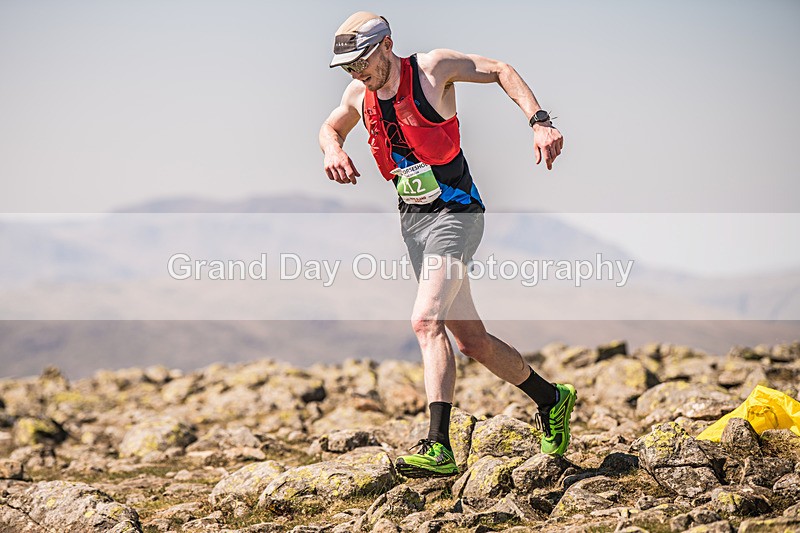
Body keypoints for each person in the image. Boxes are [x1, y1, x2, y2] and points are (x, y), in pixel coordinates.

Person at [319, 11, 576, 478]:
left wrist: (540, 121)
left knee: (424, 321)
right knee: (472, 341)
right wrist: (333, 149)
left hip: (457, 214)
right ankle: (551, 398)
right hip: (414, 222)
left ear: (386, 45)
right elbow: (330, 127)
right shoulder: (358, 93)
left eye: (362, 62)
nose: (358, 74)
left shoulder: (432, 70)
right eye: (349, 68)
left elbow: (500, 69)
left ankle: (439, 446)